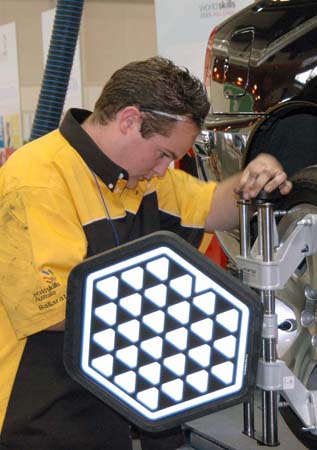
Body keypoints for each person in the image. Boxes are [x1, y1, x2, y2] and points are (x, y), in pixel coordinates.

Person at [0, 56, 292, 450]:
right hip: (41, 417)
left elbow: (214, 206)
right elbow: (54, 311)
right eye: (164, 154)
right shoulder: (36, 181)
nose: (163, 169)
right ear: (129, 121)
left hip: (115, 413)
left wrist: (256, 175)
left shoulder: (142, 181)